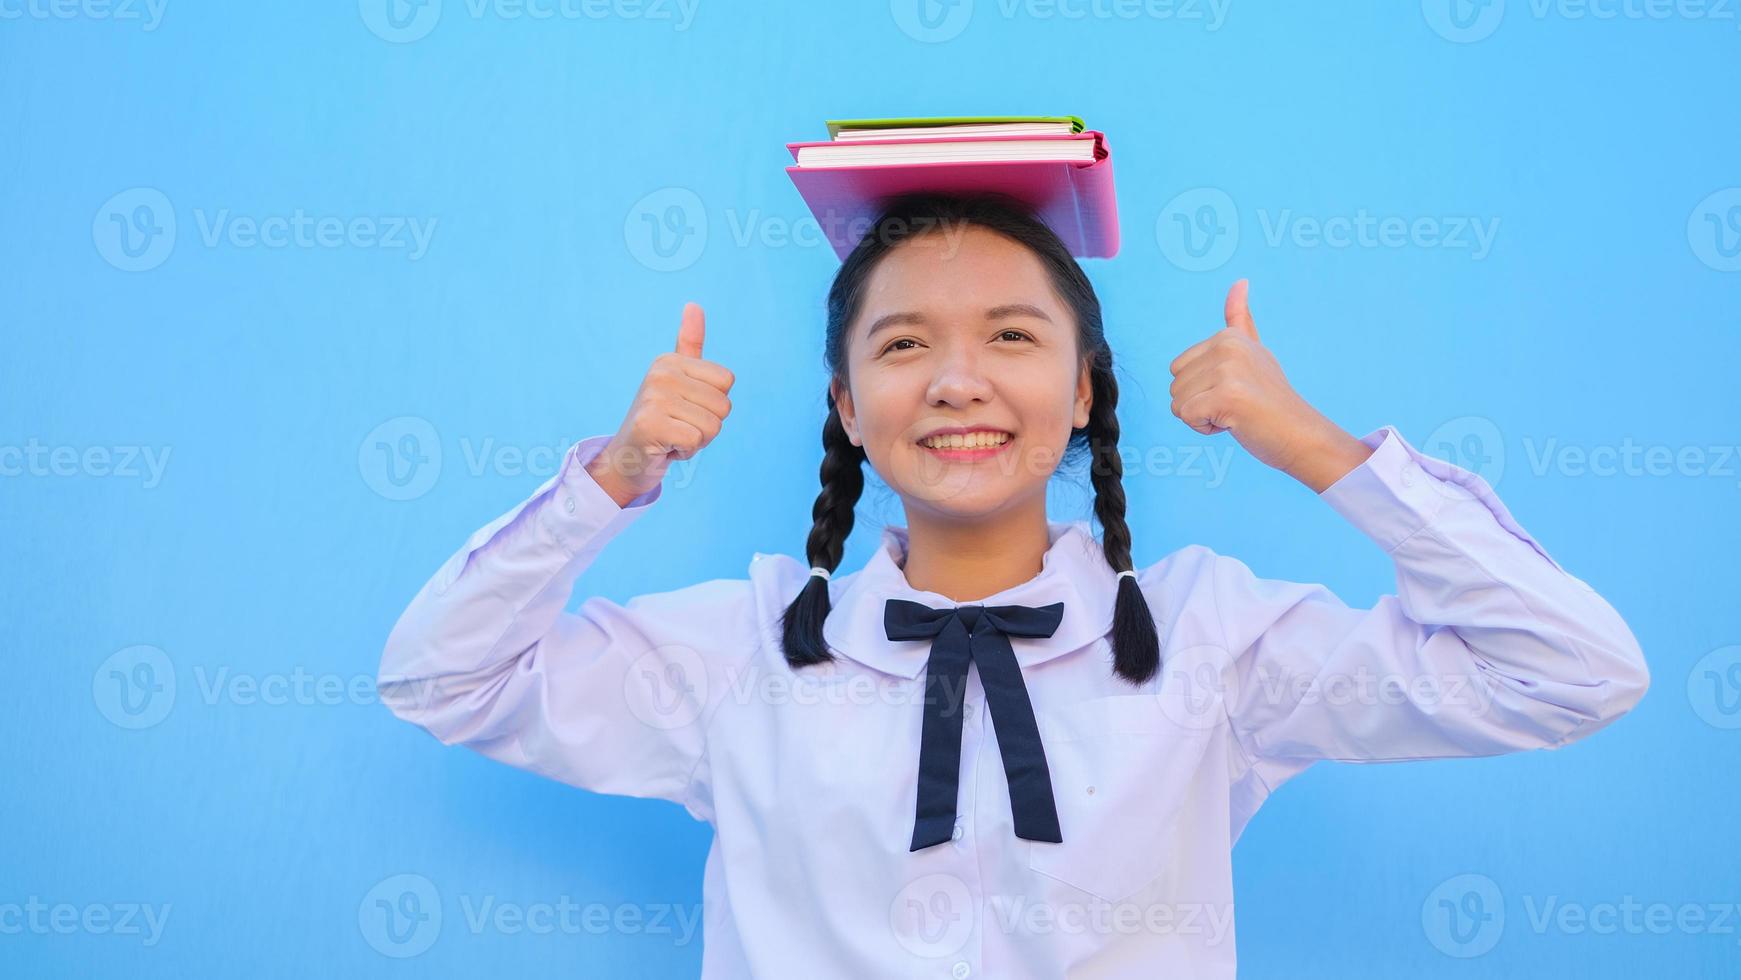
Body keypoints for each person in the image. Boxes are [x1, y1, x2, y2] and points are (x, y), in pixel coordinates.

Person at [377, 194, 1650, 978]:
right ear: (847, 407)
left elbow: (1574, 672)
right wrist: (611, 474)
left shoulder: (1212, 635)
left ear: (1086, 389)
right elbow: (441, 675)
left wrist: (1315, 446)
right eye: (903, 343)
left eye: (1011, 336)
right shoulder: (741, 649)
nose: (956, 380)